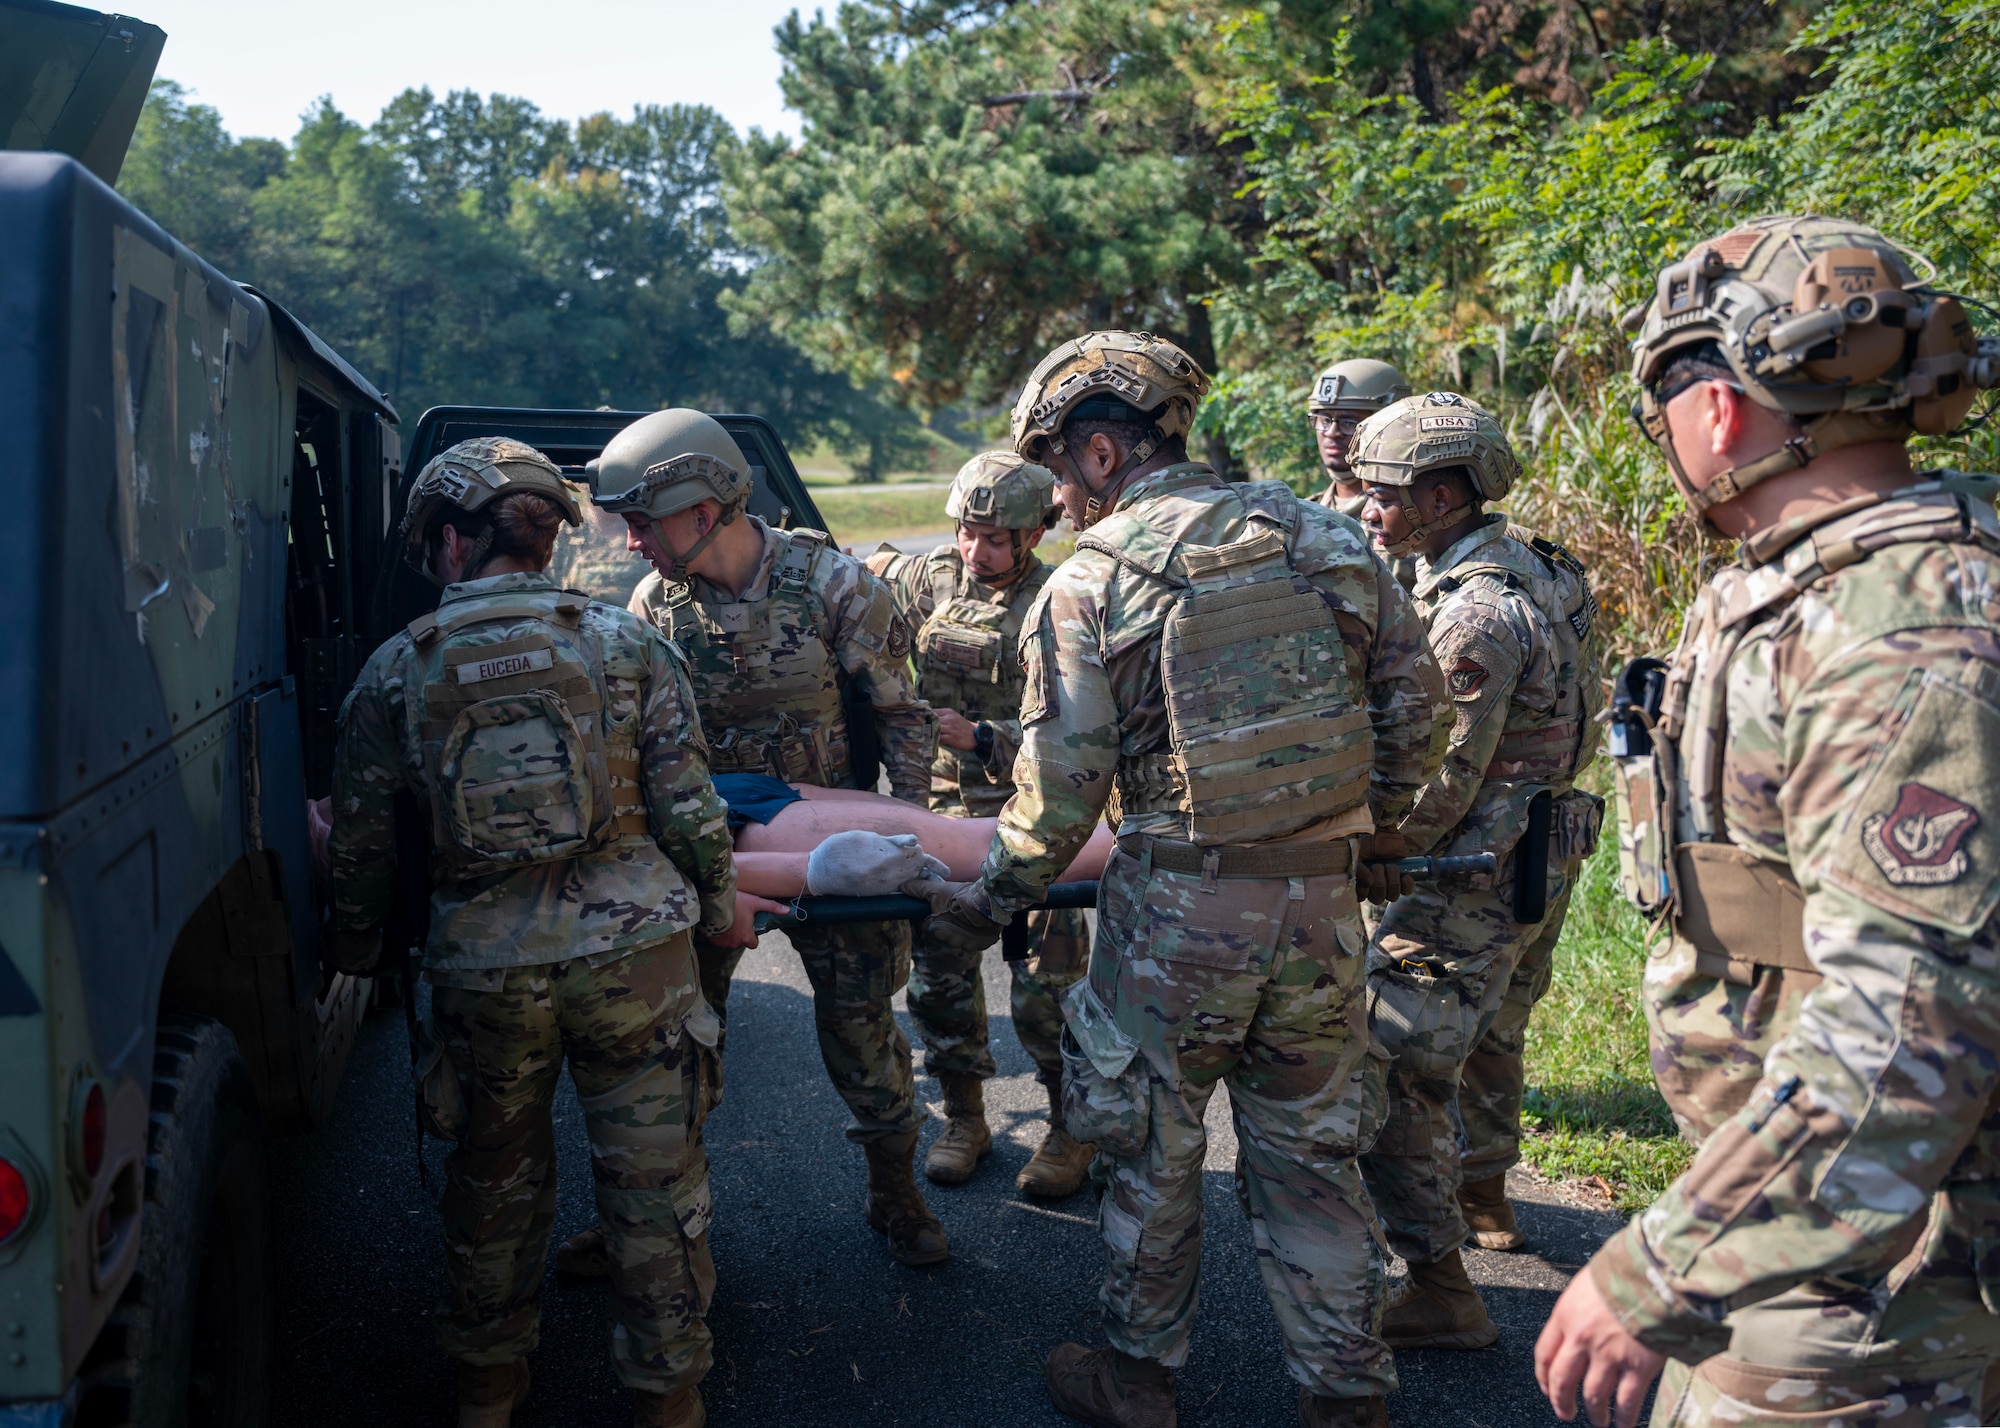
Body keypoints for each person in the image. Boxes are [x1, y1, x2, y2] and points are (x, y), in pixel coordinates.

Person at [907, 330, 1450, 1428]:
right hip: (1318, 912)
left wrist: (989, 902)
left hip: (1174, 920)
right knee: (1311, 1164)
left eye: (1059, 470)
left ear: (1102, 455)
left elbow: (1059, 791)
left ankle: (1138, 1381)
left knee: (1149, 1155)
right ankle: (1346, 1397)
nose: (1055, 499)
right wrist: (1360, 827)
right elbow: (1419, 709)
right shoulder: (1323, 538)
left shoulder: (1094, 582)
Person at [1534, 214, 2000, 1428]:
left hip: (1879, 1269)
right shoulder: (1821, 583)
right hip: (1803, 1219)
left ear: (1721, 413)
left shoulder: (1901, 636)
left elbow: (1908, 1030)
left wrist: (1661, 1267)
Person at [325, 438, 739, 1428]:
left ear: (453, 542)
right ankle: (669, 1396)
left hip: (484, 970)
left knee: (493, 1182)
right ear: (547, 541)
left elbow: (361, 848)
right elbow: (689, 811)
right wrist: (718, 913)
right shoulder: (629, 646)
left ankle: (488, 1389)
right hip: (635, 962)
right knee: (652, 1186)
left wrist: (351, 954)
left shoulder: (397, 670)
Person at [587, 408, 951, 1269]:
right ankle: (648, 1221)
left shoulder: (834, 584)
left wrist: (913, 851)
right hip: (715, 855)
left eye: (643, 521)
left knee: (864, 1036)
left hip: (832, 845)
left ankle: (896, 1196)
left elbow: (904, 719)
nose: (631, 542)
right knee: (679, 1044)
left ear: (703, 510)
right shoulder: (654, 605)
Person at [1349, 393, 1603, 1349]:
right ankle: (1482, 1188)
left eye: (1386, 493)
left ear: (1444, 495)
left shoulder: (1471, 616)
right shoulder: (1540, 564)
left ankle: (1441, 1288)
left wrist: (1360, 853)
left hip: (1467, 877)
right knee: (1490, 1031)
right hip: (1541, 850)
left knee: (1390, 1070)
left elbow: (1435, 785)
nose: (1369, 509)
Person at [866, 452, 1098, 1195]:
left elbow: (1083, 726)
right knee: (938, 979)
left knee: (1047, 988)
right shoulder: (928, 579)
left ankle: (1069, 1129)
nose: (978, 551)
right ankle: (965, 1117)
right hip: (939, 819)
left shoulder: (1058, 599)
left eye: (997, 538)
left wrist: (986, 738)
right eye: (969, 532)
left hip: (1028, 818)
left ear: (1034, 535)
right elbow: (857, 582)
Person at [1308, 357, 1411, 518]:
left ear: (1389, 425)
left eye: (1348, 422)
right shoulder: (1305, 514)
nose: (1332, 432)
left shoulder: (1410, 515)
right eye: (1325, 420)